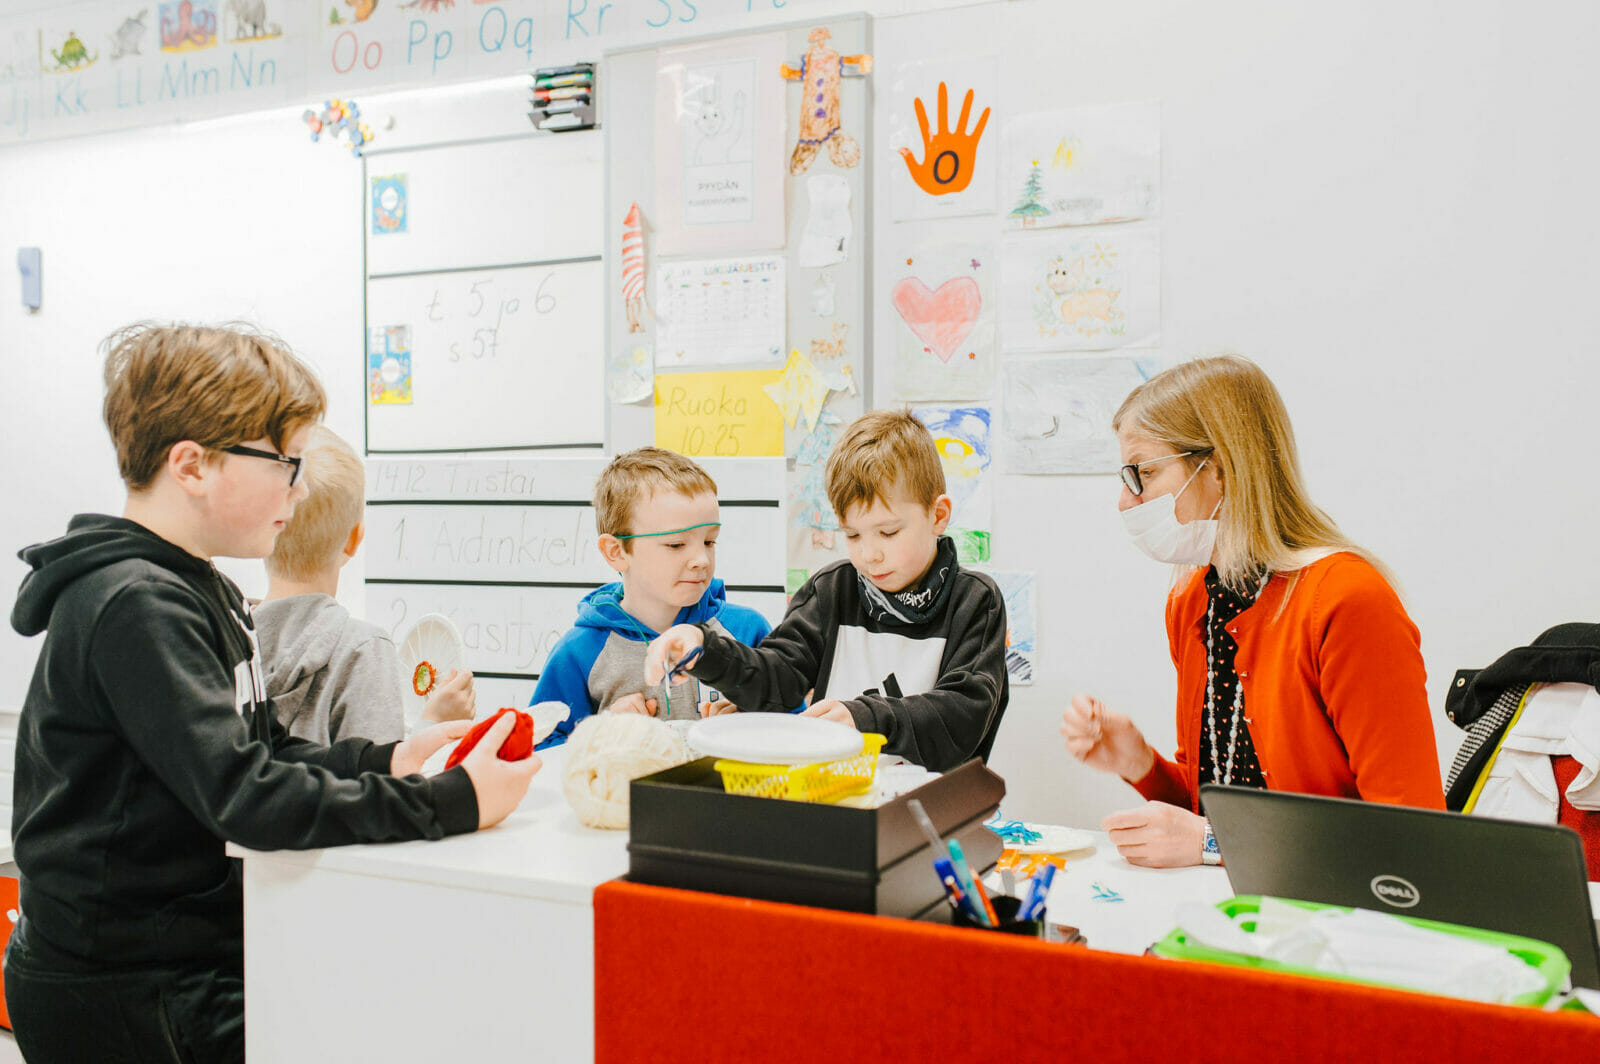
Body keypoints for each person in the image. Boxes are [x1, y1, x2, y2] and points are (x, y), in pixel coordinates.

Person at [4, 322, 539, 1064]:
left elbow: (262, 745)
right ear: (192, 465)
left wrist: (386, 759)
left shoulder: (202, 588)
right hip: (124, 988)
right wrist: (452, 801)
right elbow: (244, 795)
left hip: (175, 964)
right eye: (286, 464)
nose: (300, 487)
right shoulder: (136, 604)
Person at [1060, 355, 1443, 868]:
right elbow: (1213, 808)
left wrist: (1209, 844)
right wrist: (1140, 763)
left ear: (1220, 469)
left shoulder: (1346, 599)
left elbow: (1412, 839)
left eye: (1144, 473)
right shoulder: (1193, 602)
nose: (1127, 503)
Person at [643, 409, 1009, 772]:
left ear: (938, 515)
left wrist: (864, 718)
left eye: (888, 532)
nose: (870, 554)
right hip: (837, 797)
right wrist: (705, 649)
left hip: (936, 802)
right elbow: (776, 681)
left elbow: (962, 717)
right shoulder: (831, 590)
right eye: (853, 535)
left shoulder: (975, 601)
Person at [531, 447, 772, 747]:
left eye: (710, 542)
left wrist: (752, 721)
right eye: (676, 544)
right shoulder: (578, 652)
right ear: (616, 552)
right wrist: (600, 734)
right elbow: (538, 749)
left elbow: (794, 722)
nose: (701, 560)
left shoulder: (748, 631)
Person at [255, 424, 475, 745]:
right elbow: (380, 773)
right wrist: (433, 726)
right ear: (355, 539)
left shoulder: (229, 637)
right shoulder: (363, 650)